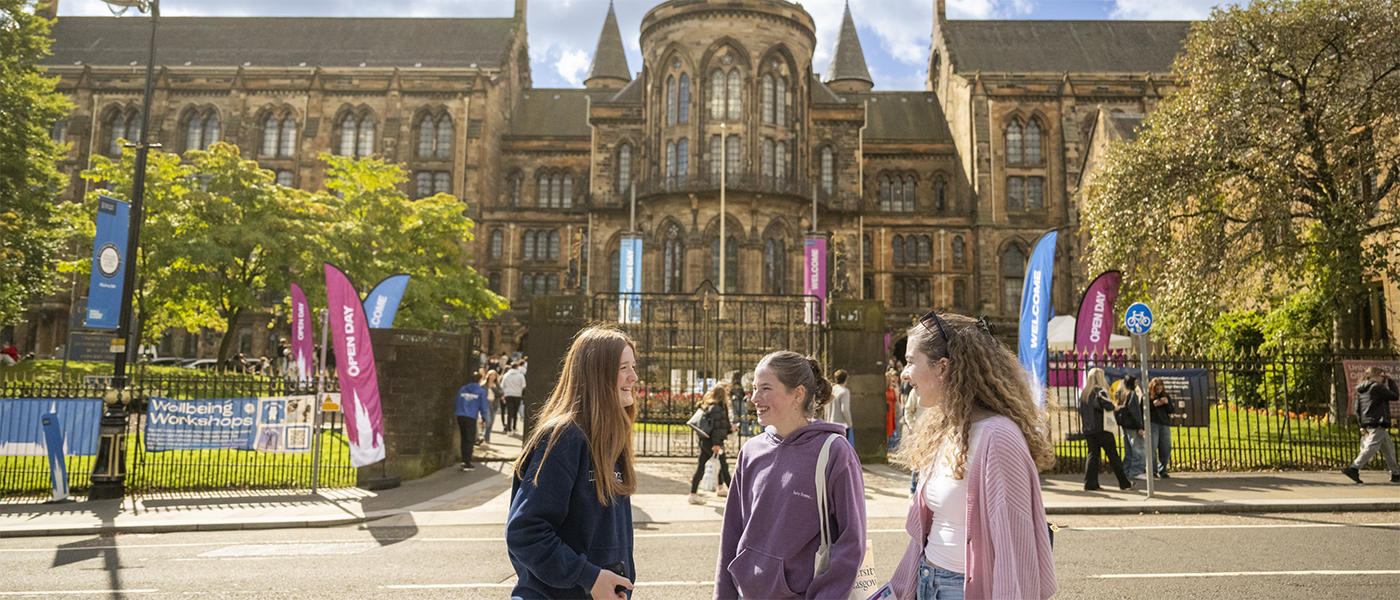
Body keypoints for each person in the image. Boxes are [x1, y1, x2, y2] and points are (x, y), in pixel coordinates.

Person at [889, 312, 1057, 600]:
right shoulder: (943, 426)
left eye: (910, 361)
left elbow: (1014, 549)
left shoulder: (998, 437)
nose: (904, 373)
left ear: (942, 367)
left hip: (963, 590)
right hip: (928, 582)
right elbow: (925, 534)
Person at [715, 351, 866, 599]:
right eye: (754, 388)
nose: (754, 398)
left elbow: (852, 542)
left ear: (797, 394)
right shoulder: (751, 451)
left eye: (765, 388)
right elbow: (731, 532)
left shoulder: (835, 453)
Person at [506, 326, 638, 599]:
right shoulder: (565, 437)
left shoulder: (611, 437)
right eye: (624, 368)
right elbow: (525, 532)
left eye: (633, 367)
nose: (634, 377)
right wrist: (588, 577)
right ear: (597, 373)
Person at [1079, 368, 1134, 491]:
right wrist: (1115, 406)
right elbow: (1107, 406)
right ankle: (1124, 483)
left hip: (1088, 429)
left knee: (1092, 456)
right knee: (1113, 456)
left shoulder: (1084, 393)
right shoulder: (1100, 391)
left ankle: (1090, 484)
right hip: (1102, 428)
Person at [1342, 367, 1399, 484]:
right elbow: (1395, 396)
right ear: (1374, 376)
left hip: (1370, 422)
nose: (1384, 379)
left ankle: (1396, 473)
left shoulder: (1361, 388)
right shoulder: (1377, 387)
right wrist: (1390, 381)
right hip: (1378, 421)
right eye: (1382, 376)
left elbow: (1358, 409)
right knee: (1371, 447)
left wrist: (1362, 424)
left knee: (1388, 448)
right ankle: (1354, 468)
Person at [688, 383, 734, 505]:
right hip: (712, 443)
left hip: (707, 442)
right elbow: (716, 429)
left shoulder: (716, 407)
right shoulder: (716, 408)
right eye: (726, 392)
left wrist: (730, 428)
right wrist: (717, 444)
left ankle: (693, 495)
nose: (728, 393)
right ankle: (736, 497)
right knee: (724, 468)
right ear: (722, 394)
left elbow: (721, 426)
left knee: (702, 467)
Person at [454, 371, 489, 471]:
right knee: (470, 439)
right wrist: (484, 419)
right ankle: (467, 463)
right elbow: (483, 406)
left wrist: (458, 412)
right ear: (479, 380)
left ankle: (463, 459)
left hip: (461, 415)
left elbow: (457, 401)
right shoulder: (481, 391)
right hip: (471, 416)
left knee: (463, 438)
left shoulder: (463, 389)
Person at [1115, 376, 1147, 480]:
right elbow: (1136, 412)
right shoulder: (1132, 394)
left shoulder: (1121, 392)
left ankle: (1127, 470)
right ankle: (1136, 471)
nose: (1137, 384)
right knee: (1138, 448)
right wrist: (1140, 427)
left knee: (1128, 449)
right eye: (1135, 382)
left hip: (1125, 425)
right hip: (1133, 425)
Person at [1146, 377, 1174, 478]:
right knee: (1152, 447)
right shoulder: (1147, 396)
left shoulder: (1165, 396)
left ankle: (1163, 469)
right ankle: (1152, 470)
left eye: (1160, 388)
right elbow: (1143, 410)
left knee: (1166, 446)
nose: (1159, 390)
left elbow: (1171, 410)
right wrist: (1153, 404)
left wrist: (1166, 403)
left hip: (1164, 423)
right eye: (1157, 389)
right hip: (1153, 423)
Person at [827, 369, 853, 444]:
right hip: (841, 425)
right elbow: (844, 409)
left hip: (830, 423)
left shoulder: (831, 390)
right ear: (845, 379)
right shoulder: (844, 391)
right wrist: (849, 423)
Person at [501, 361, 527, 434]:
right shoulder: (520, 375)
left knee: (509, 412)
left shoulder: (506, 375)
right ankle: (514, 427)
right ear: (517, 367)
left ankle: (509, 428)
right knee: (515, 412)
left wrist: (505, 393)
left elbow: (503, 385)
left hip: (508, 394)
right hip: (517, 395)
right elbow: (523, 385)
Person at [483, 369, 500, 444]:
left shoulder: (497, 385)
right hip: (486, 403)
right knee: (488, 421)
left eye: (494, 375)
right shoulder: (484, 385)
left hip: (494, 403)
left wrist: (494, 389)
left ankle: (487, 437)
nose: (493, 376)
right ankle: (485, 436)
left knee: (492, 421)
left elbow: (501, 393)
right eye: (491, 375)